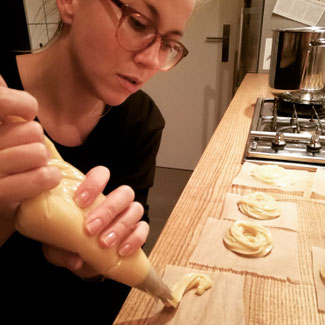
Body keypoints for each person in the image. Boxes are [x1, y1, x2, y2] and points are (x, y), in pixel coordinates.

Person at [0, 0, 198, 321]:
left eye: (169, 44)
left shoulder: (141, 121)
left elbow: (119, 271)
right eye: (138, 23)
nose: (151, 60)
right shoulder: (3, 102)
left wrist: (101, 264)